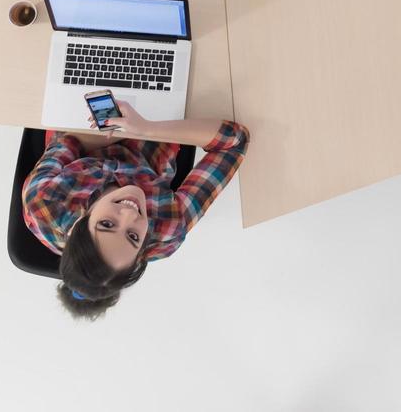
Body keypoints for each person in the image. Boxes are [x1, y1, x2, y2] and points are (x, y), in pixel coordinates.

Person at [22, 101, 248, 319]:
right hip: (158, 128)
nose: (130, 214)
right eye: (133, 236)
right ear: (141, 253)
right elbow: (235, 142)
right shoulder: (167, 230)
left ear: (78, 223)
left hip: (88, 126)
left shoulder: (44, 203)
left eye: (107, 224)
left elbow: (70, 142)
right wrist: (146, 129)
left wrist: (117, 125)